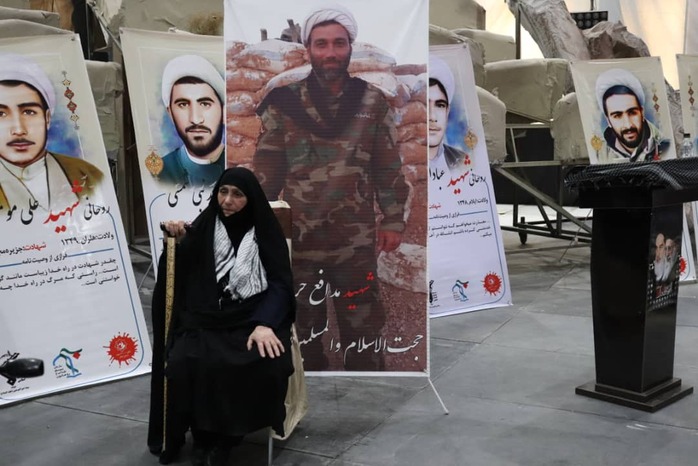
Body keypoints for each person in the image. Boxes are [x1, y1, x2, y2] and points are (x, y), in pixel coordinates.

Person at [253, 5, 409, 371]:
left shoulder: (372, 102)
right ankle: (309, 385)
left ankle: (367, 381)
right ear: (308, 49)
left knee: (362, 319)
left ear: (350, 47)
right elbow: (267, 170)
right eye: (321, 44)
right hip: (299, 236)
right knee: (302, 323)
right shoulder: (284, 103)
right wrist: (260, 224)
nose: (331, 52)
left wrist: (392, 219)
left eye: (339, 43)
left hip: (354, 239)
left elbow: (387, 165)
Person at [148, 167, 296, 465]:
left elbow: (281, 284)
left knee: (256, 362)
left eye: (237, 195)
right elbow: (179, 270)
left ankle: (227, 439)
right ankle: (203, 436)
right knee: (185, 360)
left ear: (251, 199)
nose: (227, 200)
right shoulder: (204, 226)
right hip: (205, 318)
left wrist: (265, 323)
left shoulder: (264, 231)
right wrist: (175, 241)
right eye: (223, 192)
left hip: (253, 317)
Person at [0, 53, 103, 214]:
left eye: (29, 112)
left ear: (47, 118)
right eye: (1, 114)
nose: (19, 130)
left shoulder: (89, 175)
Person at [152, 55, 226, 188]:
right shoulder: (160, 174)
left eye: (205, 104)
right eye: (183, 105)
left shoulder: (240, 166)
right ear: (170, 113)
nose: (195, 119)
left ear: (223, 110)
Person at [595, 68, 671, 163]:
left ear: (642, 113)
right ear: (608, 121)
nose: (628, 125)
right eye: (617, 116)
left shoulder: (665, 147)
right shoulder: (601, 154)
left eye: (632, 113)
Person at [428, 54, 468, 178]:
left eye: (440, 105)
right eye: (424, 105)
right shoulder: (394, 164)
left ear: (447, 111)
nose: (432, 117)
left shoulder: (461, 160)